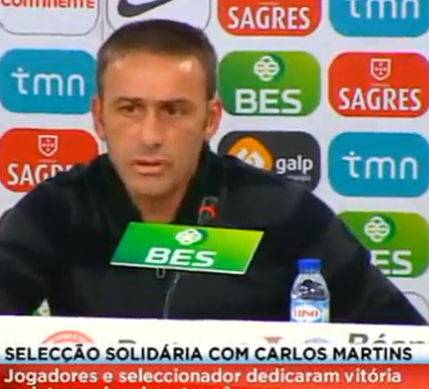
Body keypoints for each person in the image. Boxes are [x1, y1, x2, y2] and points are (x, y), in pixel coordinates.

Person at [0, 20, 425, 325]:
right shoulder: (59, 209)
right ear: (98, 117)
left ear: (210, 118)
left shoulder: (281, 211)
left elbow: (404, 347)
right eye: (129, 109)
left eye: (174, 111)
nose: (150, 136)